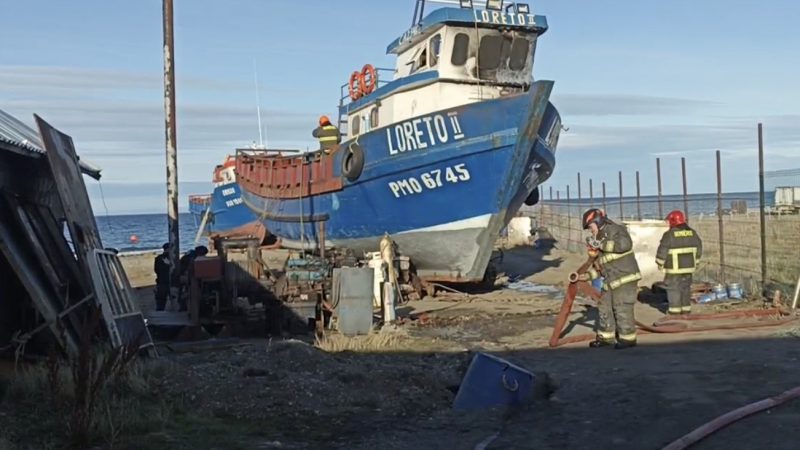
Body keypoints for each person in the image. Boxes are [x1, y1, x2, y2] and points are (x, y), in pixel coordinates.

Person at [582, 208, 642, 350]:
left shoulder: (616, 230)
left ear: (597, 222)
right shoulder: (599, 238)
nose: (591, 231)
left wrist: (600, 245)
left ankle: (628, 339)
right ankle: (606, 337)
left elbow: (625, 245)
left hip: (625, 278)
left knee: (621, 307)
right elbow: (600, 268)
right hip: (611, 281)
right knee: (604, 306)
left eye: (591, 227)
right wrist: (586, 276)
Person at [656, 210, 703, 315]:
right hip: (689, 268)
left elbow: (663, 249)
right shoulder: (692, 232)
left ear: (673, 221)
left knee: (673, 289)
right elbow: (699, 247)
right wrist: (696, 261)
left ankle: (674, 312)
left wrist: (659, 262)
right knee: (685, 288)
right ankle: (686, 310)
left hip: (673, 269)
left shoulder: (669, 235)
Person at [153, 243, 171, 311]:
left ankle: (160, 311)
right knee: (176, 299)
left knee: (160, 301)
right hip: (169, 281)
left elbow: (156, 270)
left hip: (161, 281)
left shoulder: (158, 258)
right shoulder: (172, 257)